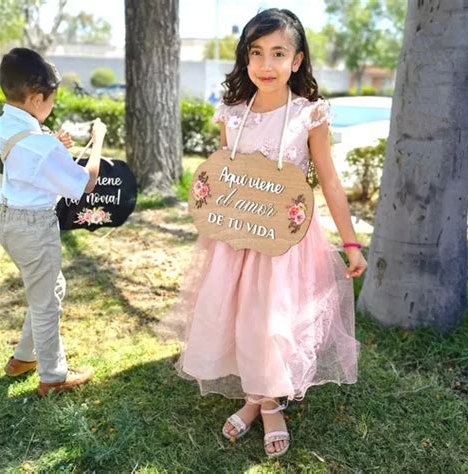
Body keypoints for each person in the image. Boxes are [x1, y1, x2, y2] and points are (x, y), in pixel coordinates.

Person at [168, 9, 367, 457]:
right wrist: (203, 196)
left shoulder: (308, 115)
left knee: (273, 318)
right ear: (245, 58)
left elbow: (329, 181)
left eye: (279, 53)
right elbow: (221, 176)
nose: (266, 64)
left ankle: (269, 403)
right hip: (237, 237)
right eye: (256, 53)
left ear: (297, 61)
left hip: (287, 242)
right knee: (240, 312)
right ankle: (254, 397)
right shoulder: (232, 114)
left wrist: (351, 242)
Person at [0, 48, 107, 397]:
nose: (51, 107)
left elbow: (23, 163)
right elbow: (85, 182)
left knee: (50, 288)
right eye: (50, 101)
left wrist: (53, 146)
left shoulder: (6, 126)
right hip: (32, 226)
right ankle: (53, 377)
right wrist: (98, 142)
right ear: (35, 97)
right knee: (46, 301)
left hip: (8, 220)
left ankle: (24, 358)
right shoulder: (40, 146)